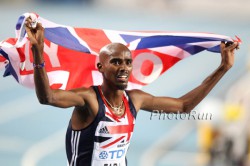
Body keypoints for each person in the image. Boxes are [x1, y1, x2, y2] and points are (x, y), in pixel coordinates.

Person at [25, 17, 239, 166]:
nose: (124, 67)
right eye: (116, 62)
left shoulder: (134, 100)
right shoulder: (89, 99)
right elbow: (48, 97)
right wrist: (38, 51)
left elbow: (184, 106)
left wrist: (223, 68)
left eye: (128, 62)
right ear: (101, 67)